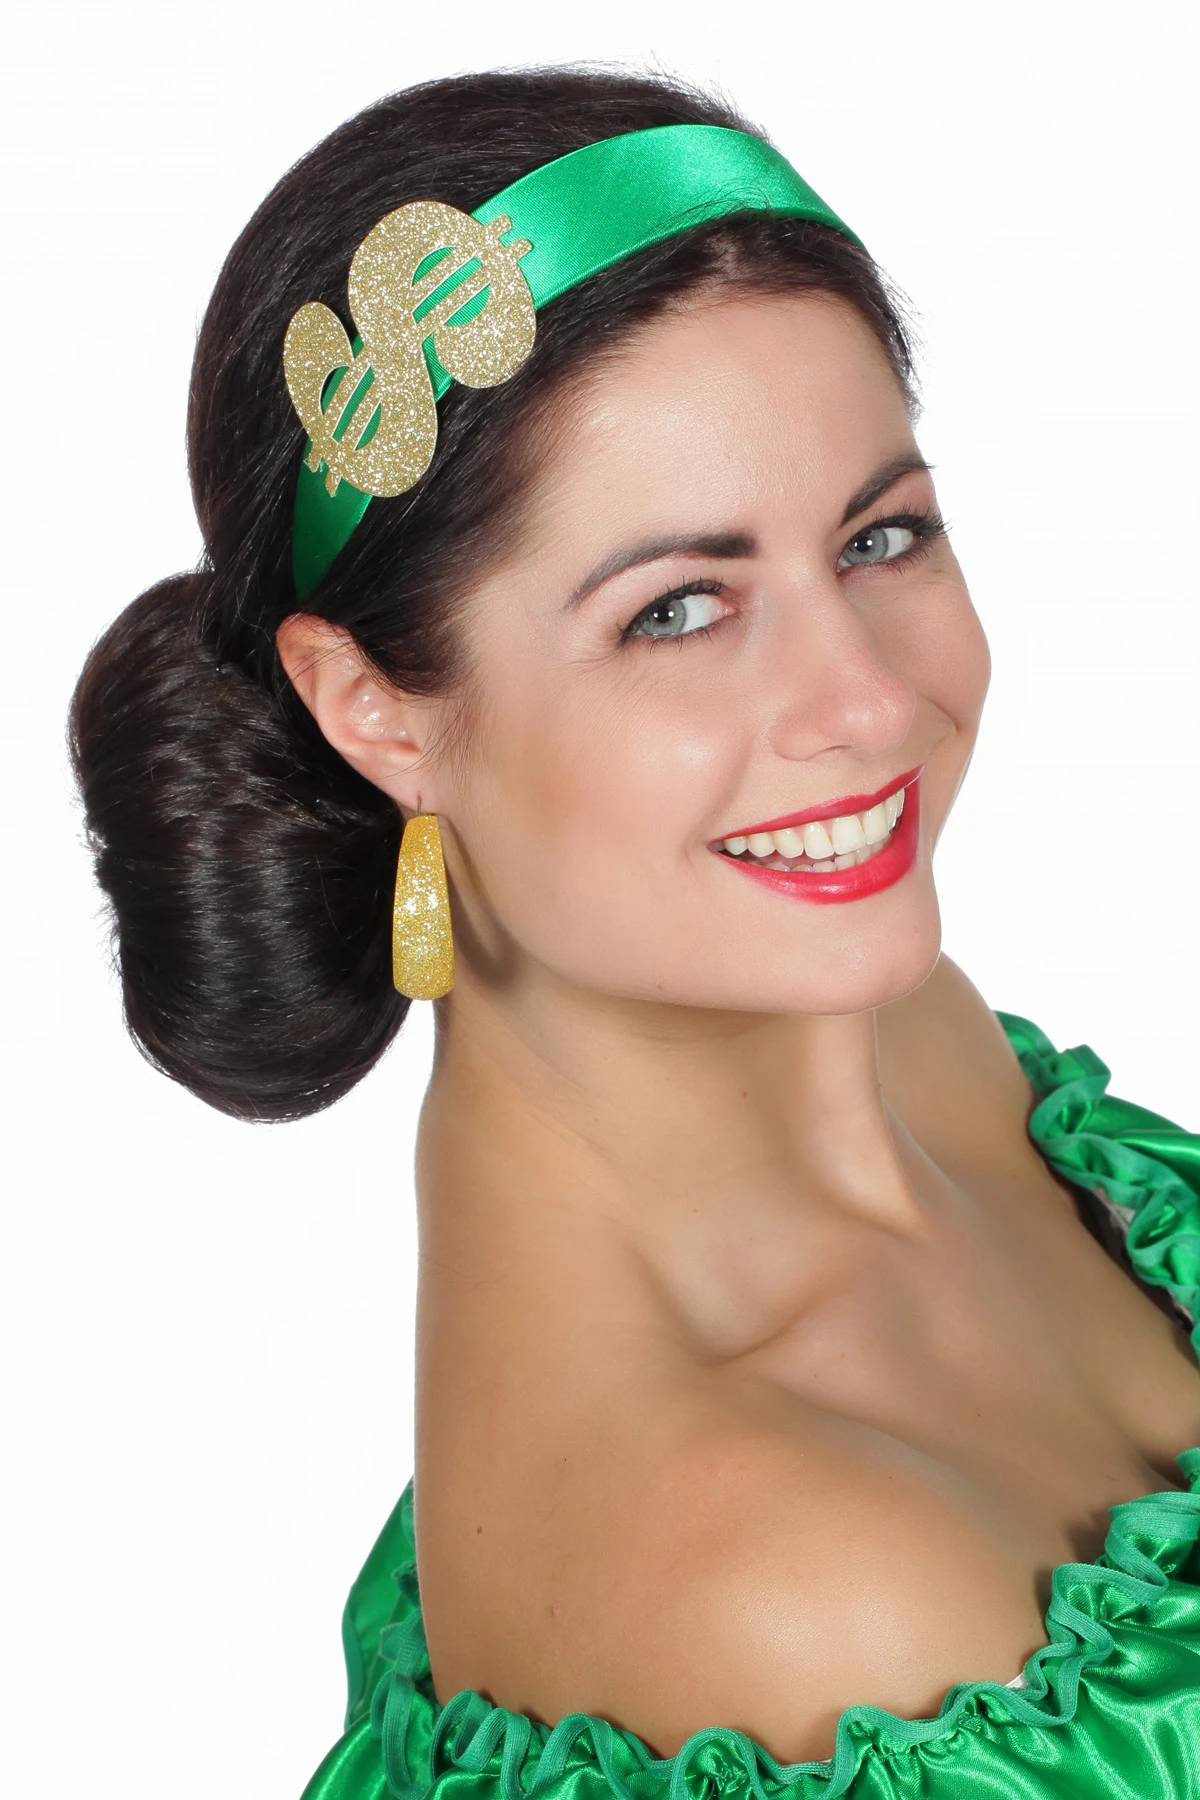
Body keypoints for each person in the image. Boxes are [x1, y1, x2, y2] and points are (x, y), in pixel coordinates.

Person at [69, 66, 1200, 1800]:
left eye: (881, 536)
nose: (865, 703)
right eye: (679, 610)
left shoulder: (906, 1036)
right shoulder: (789, 1603)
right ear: (374, 708)